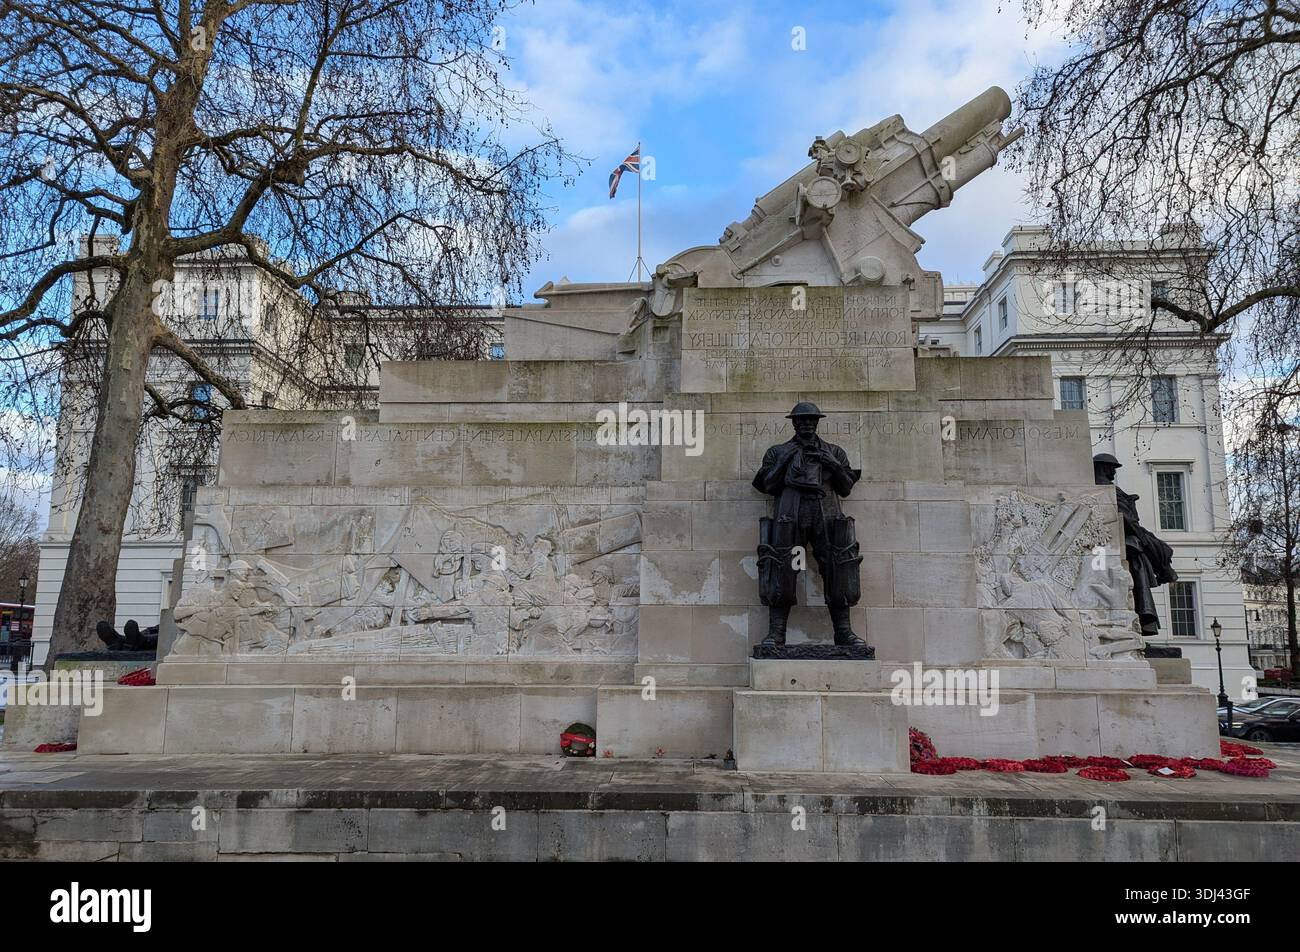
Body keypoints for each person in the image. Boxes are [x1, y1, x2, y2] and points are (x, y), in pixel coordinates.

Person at [752, 402, 865, 647]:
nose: (806, 423)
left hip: (826, 513)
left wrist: (831, 463)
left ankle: (843, 632)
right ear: (793, 423)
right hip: (790, 513)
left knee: (838, 566)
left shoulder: (834, 451)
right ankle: (776, 633)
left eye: (811, 420)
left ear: (817, 422)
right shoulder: (777, 451)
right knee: (782, 566)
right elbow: (767, 486)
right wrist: (785, 460)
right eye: (801, 420)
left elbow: (846, 487)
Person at [1093, 453, 1178, 636]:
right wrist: (1140, 532)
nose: (1114, 473)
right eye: (1112, 468)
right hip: (1117, 540)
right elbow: (1124, 519)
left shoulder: (1109, 488)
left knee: (1147, 555)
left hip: (1124, 538)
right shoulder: (1104, 488)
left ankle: (1147, 614)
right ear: (1103, 467)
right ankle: (1146, 615)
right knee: (1142, 557)